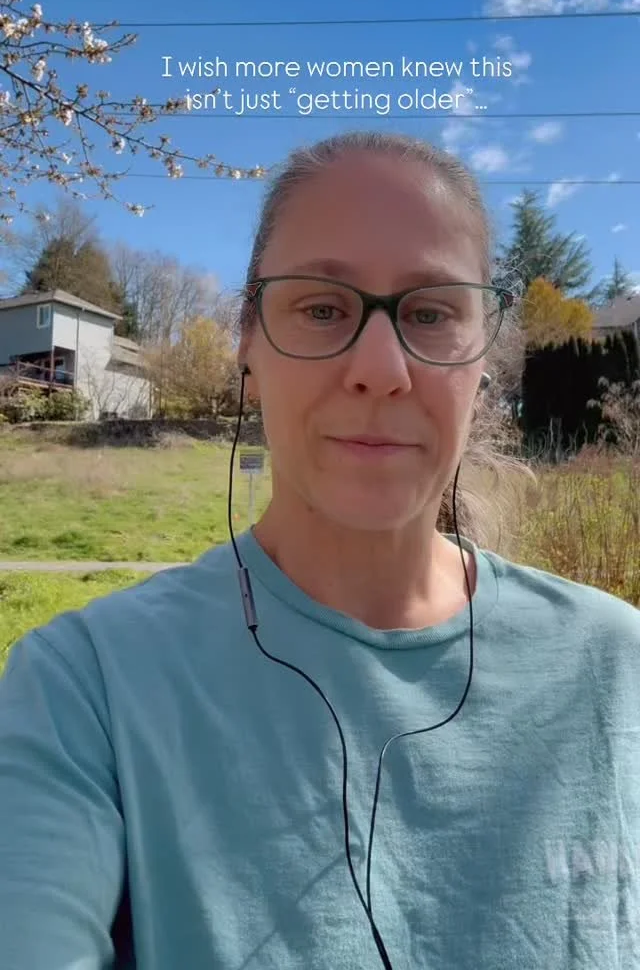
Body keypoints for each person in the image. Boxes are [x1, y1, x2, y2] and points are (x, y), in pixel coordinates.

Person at [1, 130, 639, 970]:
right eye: (323, 309)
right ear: (248, 342)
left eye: (431, 313)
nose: (380, 368)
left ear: (484, 357)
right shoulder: (85, 693)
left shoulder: (620, 669)